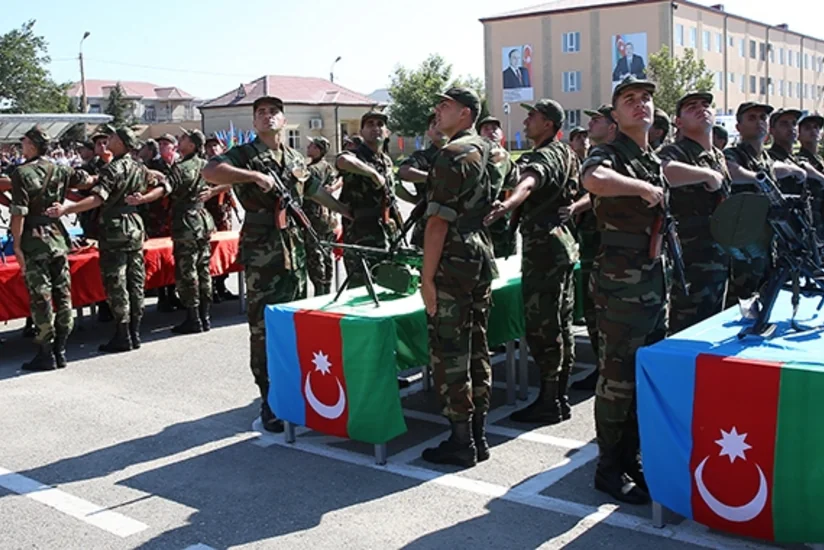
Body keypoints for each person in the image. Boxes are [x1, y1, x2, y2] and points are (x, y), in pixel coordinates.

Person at [582, 76, 716, 504]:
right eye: (629, 100)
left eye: (645, 99)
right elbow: (593, 179)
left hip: (654, 283)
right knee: (616, 379)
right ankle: (607, 467)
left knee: (642, 376)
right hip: (620, 286)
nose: (639, 105)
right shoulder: (609, 152)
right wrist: (642, 188)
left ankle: (630, 457)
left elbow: (670, 180)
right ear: (615, 113)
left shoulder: (651, 156)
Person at [201, 95, 350, 433]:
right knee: (264, 325)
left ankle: (293, 389)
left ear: (284, 120)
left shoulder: (296, 156)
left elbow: (312, 189)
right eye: (261, 113)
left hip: (293, 248)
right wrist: (252, 176)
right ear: (254, 122)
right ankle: (268, 398)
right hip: (262, 247)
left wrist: (345, 212)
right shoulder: (245, 154)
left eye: (274, 112)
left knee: (293, 322)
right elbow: (210, 170)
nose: (268, 117)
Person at [485, 99, 580, 426]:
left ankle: (549, 401)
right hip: (562, 247)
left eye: (533, 117)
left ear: (550, 124)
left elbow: (529, 181)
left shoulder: (546, 156)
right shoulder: (568, 153)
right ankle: (559, 397)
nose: (526, 121)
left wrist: (506, 205)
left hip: (544, 251)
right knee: (562, 322)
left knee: (543, 326)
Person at [419, 87, 497, 468]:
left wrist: (426, 278)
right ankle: (479, 435)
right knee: (477, 346)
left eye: (445, 106)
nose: (438, 110)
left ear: (466, 114)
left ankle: (460, 440)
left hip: (452, 258)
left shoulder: (452, 155)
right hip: (478, 254)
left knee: (450, 351)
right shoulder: (487, 149)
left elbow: (436, 223)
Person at [47, 127, 167, 353]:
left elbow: (98, 198)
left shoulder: (113, 168)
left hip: (114, 229)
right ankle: (135, 332)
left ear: (121, 143)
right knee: (136, 281)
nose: (107, 141)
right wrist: (142, 199)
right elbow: (164, 186)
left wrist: (69, 208)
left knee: (117, 282)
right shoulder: (140, 167)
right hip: (134, 225)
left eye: (112, 138)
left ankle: (122, 335)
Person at [9, 126, 89, 371]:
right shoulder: (61, 169)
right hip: (57, 238)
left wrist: (17, 246)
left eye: (24, 143)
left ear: (32, 145)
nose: (22, 146)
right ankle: (61, 349)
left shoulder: (21, 172)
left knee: (41, 298)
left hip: (34, 240)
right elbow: (85, 181)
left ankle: (46, 353)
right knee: (63, 295)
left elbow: (18, 214)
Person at [128, 129, 216, 334]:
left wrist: (143, 198)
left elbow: (164, 189)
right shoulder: (206, 165)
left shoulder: (182, 167)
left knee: (187, 271)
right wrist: (212, 192)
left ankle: (193, 318)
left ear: (192, 145)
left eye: (183, 139)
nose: (179, 140)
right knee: (203, 269)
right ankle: (206, 315)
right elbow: (228, 180)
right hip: (203, 221)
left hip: (186, 223)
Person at [658, 91, 731, 334]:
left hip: (718, 255)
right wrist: (706, 175)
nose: (701, 109)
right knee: (687, 329)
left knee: (713, 326)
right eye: (691, 107)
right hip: (690, 261)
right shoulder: (676, 152)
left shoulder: (718, 156)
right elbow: (661, 170)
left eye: (705, 105)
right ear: (678, 122)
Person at [724, 102, 805, 304]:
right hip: (744, 244)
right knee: (741, 300)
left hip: (768, 241)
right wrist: (758, 178)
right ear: (738, 127)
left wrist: (794, 170)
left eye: (762, 118)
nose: (759, 122)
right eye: (752, 118)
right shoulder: (734, 154)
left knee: (766, 295)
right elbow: (730, 171)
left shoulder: (766, 158)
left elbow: (774, 166)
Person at [568, 104, 617, 392]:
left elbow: (594, 189)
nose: (590, 126)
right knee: (594, 311)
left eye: (597, 120)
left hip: (607, 246)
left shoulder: (611, 158)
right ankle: (602, 367)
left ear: (612, 126)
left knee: (605, 313)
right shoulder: (599, 158)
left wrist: (576, 205)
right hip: (593, 243)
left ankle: (606, 370)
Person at [336, 111, 399, 287]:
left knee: (385, 286)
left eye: (380, 124)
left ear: (387, 132)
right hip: (360, 236)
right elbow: (342, 161)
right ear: (362, 132)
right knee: (360, 289)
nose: (375, 128)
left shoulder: (386, 160)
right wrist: (371, 174)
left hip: (386, 232)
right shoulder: (356, 155)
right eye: (370, 124)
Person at [397, 113, 448, 248]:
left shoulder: (463, 155)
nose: (439, 127)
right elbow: (404, 171)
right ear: (428, 133)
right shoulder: (422, 157)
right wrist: (432, 178)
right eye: (434, 124)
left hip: (457, 226)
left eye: (441, 122)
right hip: (427, 224)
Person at [145, 133, 181, 312]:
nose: (162, 147)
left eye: (166, 143)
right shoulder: (152, 166)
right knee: (159, 258)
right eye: (160, 144)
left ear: (174, 147)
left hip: (177, 217)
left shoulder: (180, 165)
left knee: (174, 258)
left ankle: (173, 293)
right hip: (157, 218)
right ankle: (162, 297)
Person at [477, 115, 520, 259]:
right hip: (482, 223)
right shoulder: (476, 158)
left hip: (504, 223)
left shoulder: (507, 158)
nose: (491, 132)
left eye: (495, 128)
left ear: (501, 134)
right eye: (486, 129)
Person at [202, 135, 238, 302]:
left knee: (223, 251)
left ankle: (221, 285)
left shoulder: (227, 166)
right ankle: (211, 289)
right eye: (209, 146)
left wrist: (214, 191)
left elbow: (234, 183)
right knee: (208, 253)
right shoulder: (203, 167)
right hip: (206, 214)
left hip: (223, 213)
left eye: (215, 146)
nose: (212, 149)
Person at [303, 136, 338, 295]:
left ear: (318, 149)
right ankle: (327, 288)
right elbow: (335, 183)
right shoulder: (328, 167)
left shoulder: (311, 170)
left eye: (311, 145)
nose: (308, 147)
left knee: (315, 256)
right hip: (328, 217)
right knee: (327, 255)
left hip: (313, 218)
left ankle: (320, 290)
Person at [797, 114, 824, 236]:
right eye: (807, 128)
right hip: (813, 221)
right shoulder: (798, 159)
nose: (813, 130)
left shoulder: (820, 160)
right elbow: (802, 166)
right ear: (799, 135)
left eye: (816, 127)